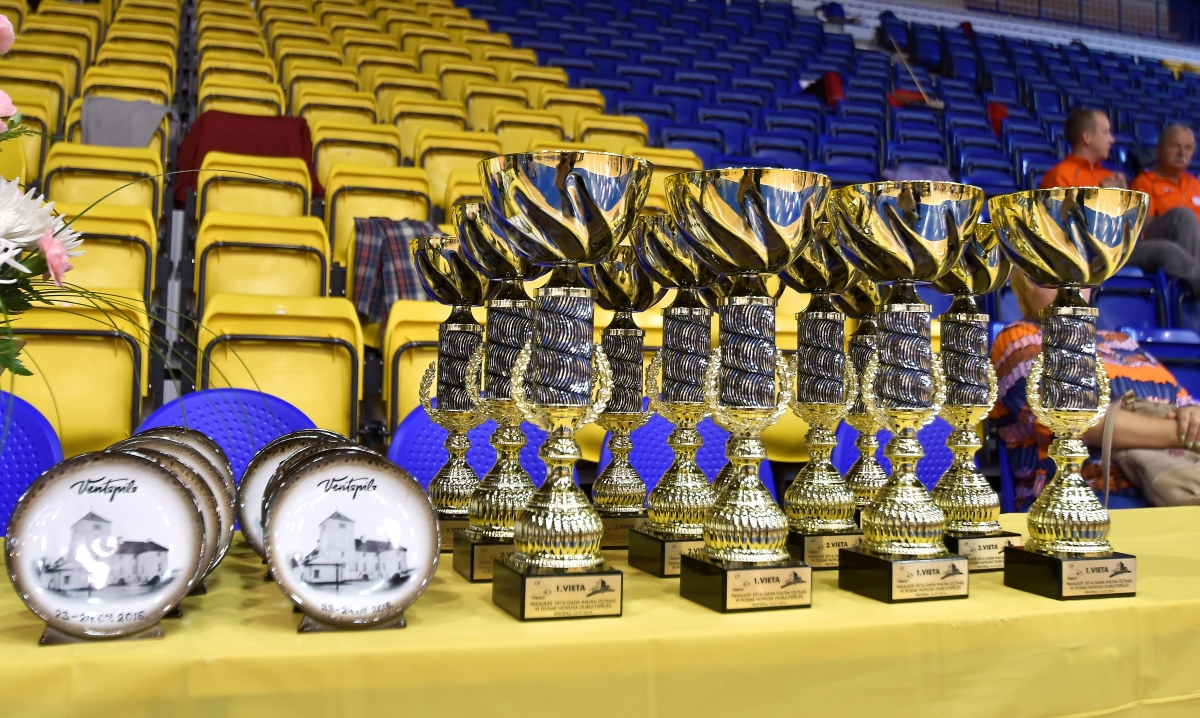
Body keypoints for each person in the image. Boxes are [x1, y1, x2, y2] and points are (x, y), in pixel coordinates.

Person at [990, 268, 1200, 510]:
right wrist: (1182, 434)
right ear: (1025, 283)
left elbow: (1186, 406)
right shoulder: (1020, 339)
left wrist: (1191, 414)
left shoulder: (1120, 342)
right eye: (1049, 278)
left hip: (1170, 490)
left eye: (1078, 275)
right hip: (1079, 497)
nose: (1069, 287)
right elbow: (1080, 421)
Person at [1127, 125, 1200, 295]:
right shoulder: (1144, 182)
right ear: (1159, 150)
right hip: (1164, 243)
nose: (1182, 153)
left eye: (1188, 148)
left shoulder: (1195, 184)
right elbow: (1143, 228)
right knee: (1184, 217)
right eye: (1175, 146)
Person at [1039, 108, 1127, 190]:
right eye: (1105, 132)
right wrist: (1098, 195)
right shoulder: (1059, 176)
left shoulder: (1109, 177)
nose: (1112, 140)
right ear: (1087, 138)